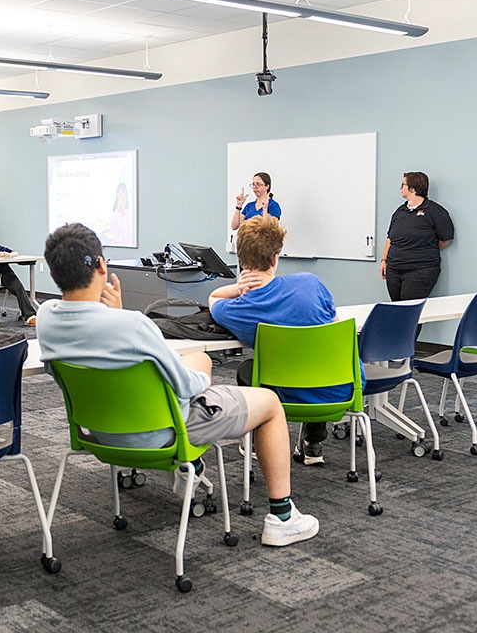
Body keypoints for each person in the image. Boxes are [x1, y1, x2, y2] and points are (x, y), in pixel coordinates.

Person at [36, 222, 319, 547]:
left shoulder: (46, 319)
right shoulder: (134, 325)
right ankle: (282, 518)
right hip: (160, 433)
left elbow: (94, 337)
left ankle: (192, 468)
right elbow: (185, 387)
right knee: (266, 401)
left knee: (192, 365)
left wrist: (114, 317)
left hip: (97, 433)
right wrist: (203, 375)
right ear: (102, 265)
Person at [209, 215, 359, 466]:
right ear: (275, 258)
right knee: (314, 359)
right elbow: (332, 322)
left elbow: (213, 298)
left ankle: (259, 443)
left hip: (288, 395)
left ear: (241, 261)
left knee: (250, 368)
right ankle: (313, 445)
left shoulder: (238, 308)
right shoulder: (311, 283)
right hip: (341, 389)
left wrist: (237, 288)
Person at [380, 171, 454, 336]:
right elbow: (390, 238)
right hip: (394, 268)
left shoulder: (435, 211)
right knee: (397, 309)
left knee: (410, 312)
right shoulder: (400, 212)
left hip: (420, 270)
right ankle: (395, 348)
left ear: (413, 188)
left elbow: (445, 239)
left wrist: (420, 250)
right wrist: (384, 260)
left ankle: (406, 351)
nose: (400, 188)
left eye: (403, 185)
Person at [105, 181, 133, 246]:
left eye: (123, 194)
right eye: (120, 194)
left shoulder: (129, 214)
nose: (122, 197)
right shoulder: (114, 215)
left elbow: (129, 234)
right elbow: (115, 237)